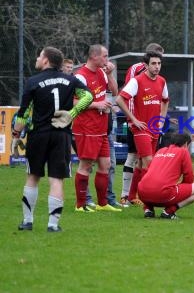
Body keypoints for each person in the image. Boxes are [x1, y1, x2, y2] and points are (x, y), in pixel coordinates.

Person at [14, 46, 93, 232]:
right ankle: (53, 225)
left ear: (46, 60)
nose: (37, 58)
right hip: (61, 135)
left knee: (33, 176)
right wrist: (72, 113)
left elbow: (23, 112)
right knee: (56, 179)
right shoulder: (71, 80)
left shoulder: (33, 81)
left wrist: (17, 133)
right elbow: (88, 96)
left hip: (38, 135)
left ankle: (27, 222)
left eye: (40, 55)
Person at [116, 51, 169, 214]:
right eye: (153, 63)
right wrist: (133, 119)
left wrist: (161, 119)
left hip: (154, 128)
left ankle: (132, 195)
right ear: (145, 65)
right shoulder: (137, 81)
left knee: (140, 163)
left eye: (159, 63)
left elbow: (165, 101)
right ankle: (149, 203)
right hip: (140, 129)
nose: (157, 67)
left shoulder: (162, 81)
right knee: (149, 163)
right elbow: (119, 99)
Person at [72, 44, 121, 213]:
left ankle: (102, 203)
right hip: (86, 127)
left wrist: (109, 73)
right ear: (94, 56)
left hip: (101, 127)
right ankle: (80, 205)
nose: (107, 59)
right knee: (85, 165)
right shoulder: (80, 77)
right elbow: (74, 102)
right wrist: (97, 104)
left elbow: (114, 92)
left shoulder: (101, 72)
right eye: (105, 56)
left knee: (105, 164)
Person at [138, 132, 194, 219]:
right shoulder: (183, 151)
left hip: (142, 193)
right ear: (186, 144)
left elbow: (149, 171)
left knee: (151, 184)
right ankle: (169, 212)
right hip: (162, 194)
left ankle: (148, 210)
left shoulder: (160, 151)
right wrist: (182, 187)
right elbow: (189, 177)